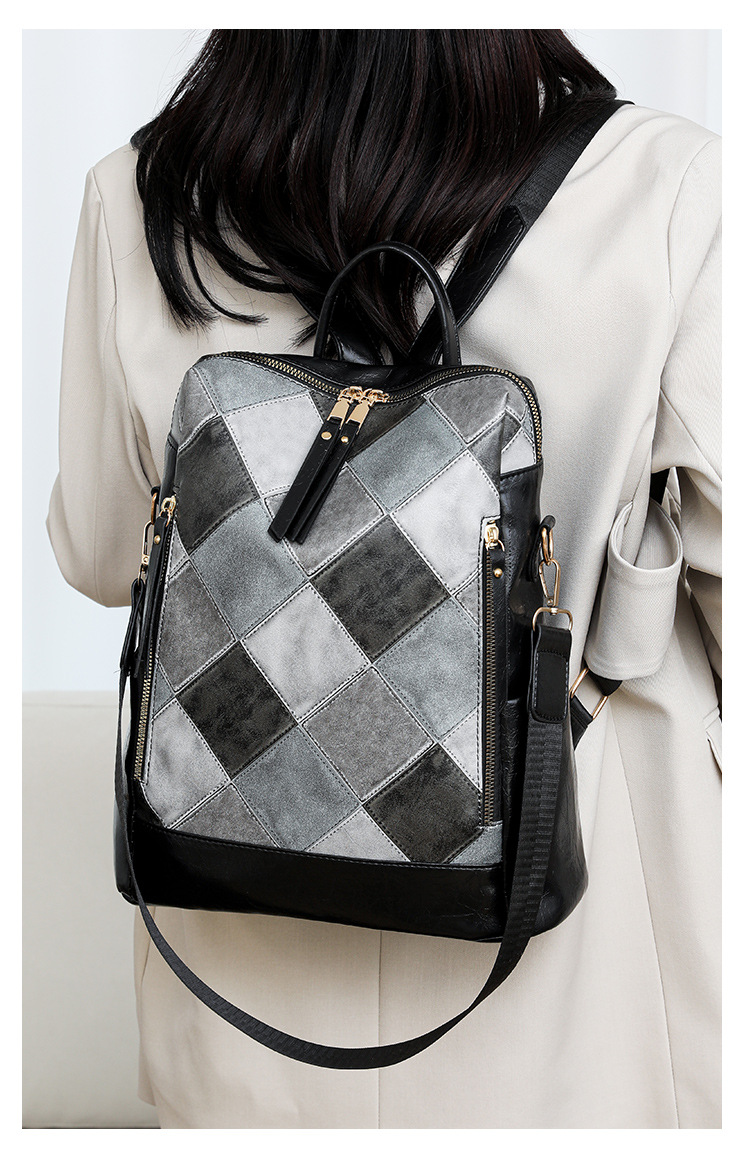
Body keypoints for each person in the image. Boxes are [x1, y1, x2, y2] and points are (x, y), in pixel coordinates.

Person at [47, 30, 721, 1129]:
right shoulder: (667, 182)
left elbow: (97, 552)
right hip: (578, 992)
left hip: (236, 981)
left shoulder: (139, 192)